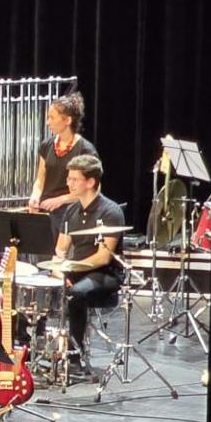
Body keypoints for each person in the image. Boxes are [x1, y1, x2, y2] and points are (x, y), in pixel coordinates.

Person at [51, 155, 124, 368]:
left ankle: (75, 354)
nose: (68, 183)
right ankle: (33, 347)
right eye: (69, 178)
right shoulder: (71, 210)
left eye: (74, 179)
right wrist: (59, 272)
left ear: (90, 182)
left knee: (77, 293)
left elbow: (103, 257)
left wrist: (71, 269)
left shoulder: (110, 211)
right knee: (35, 285)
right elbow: (61, 248)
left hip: (106, 274)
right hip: (76, 269)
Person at [28, 92, 96, 224]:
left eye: (52, 118)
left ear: (68, 121)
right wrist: (35, 196)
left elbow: (92, 189)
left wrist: (61, 200)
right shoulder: (46, 145)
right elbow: (40, 180)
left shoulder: (85, 150)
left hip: (70, 212)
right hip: (46, 211)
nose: (48, 122)